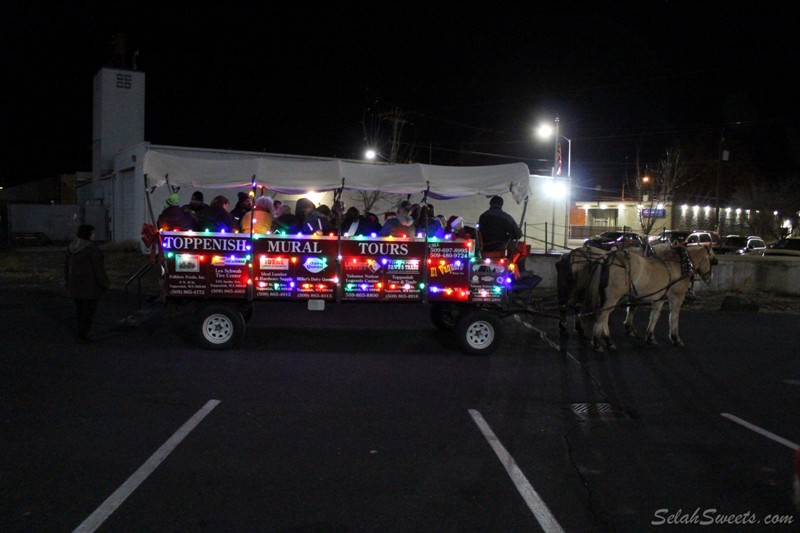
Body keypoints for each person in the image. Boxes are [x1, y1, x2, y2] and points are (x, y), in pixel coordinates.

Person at [64, 224, 109, 343]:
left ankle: (81, 332)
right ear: (88, 234)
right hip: (90, 286)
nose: (94, 235)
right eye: (93, 233)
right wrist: (104, 283)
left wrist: (67, 282)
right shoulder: (92, 249)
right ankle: (83, 335)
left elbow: (66, 267)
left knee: (80, 311)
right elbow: (98, 269)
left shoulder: (72, 247)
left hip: (74, 284)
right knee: (88, 312)